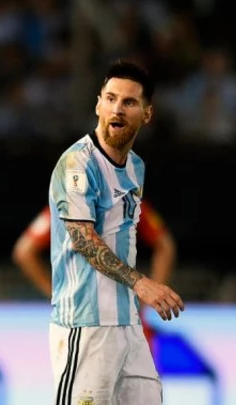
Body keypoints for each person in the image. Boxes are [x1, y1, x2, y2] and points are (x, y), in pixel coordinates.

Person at [46, 61, 184, 405]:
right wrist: (142, 283)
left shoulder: (136, 167)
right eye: (110, 99)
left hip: (128, 323)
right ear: (98, 105)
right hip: (85, 324)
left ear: (146, 115)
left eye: (129, 102)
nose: (117, 109)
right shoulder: (77, 163)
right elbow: (83, 239)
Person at [13, 200, 175, 343]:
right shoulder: (128, 202)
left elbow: (24, 251)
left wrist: (57, 296)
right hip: (118, 316)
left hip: (86, 316)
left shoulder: (66, 206)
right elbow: (165, 245)